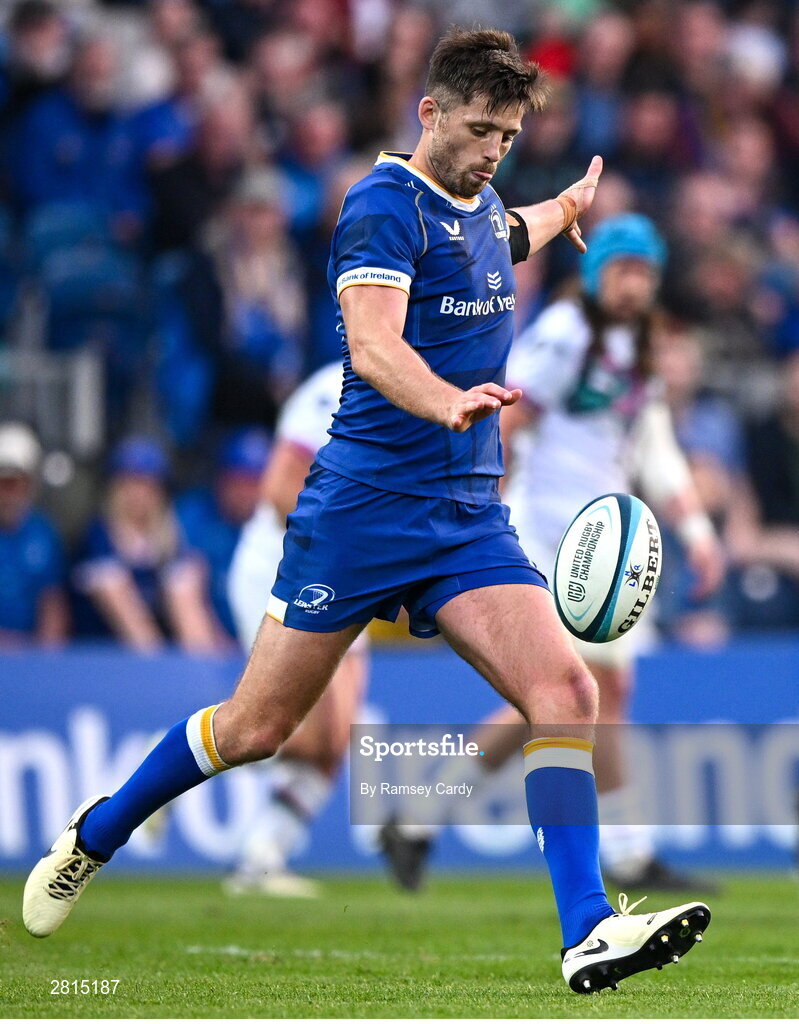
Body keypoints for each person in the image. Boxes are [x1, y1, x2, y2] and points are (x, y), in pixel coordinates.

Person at [24, 29, 711, 994]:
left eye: (507, 138)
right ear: (428, 113)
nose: (490, 152)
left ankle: (587, 928)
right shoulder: (382, 205)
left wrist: (567, 206)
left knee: (567, 692)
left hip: (466, 517)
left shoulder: (479, 208)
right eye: (478, 130)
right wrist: (447, 401)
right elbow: (375, 344)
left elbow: (507, 234)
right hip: (360, 514)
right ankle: (96, 832)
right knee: (258, 728)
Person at [378, 215, 725, 893]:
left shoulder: (638, 345)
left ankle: (421, 817)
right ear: (597, 275)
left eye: (643, 272)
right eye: (622, 270)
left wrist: (699, 534)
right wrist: (479, 513)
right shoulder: (566, 334)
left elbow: (652, 450)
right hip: (554, 540)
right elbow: (510, 416)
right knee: (572, 693)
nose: (633, 284)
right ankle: (622, 853)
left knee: (583, 695)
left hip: (606, 545)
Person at [223, 362, 368, 897]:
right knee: (298, 736)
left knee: (332, 741)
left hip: (348, 574)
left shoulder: (427, 378)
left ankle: (261, 859)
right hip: (289, 566)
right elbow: (281, 488)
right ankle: (170, 774)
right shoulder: (337, 384)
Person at [72, 436, 221, 654]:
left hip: (161, 653)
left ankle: (203, 674)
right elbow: (119, 606)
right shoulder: (98, 535)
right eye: (129, 484)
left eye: (147, 485)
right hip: (101, 654)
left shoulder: (170, 536)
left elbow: (186, 596)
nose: (138, 495)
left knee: (184, 583)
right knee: (116, 585)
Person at [0, 421, 68, 648]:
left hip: (29, 659)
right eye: (3, 484)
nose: (8, 494)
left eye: (16, 484)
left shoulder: (43, 533)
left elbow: (52, 606)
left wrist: (41, 660)